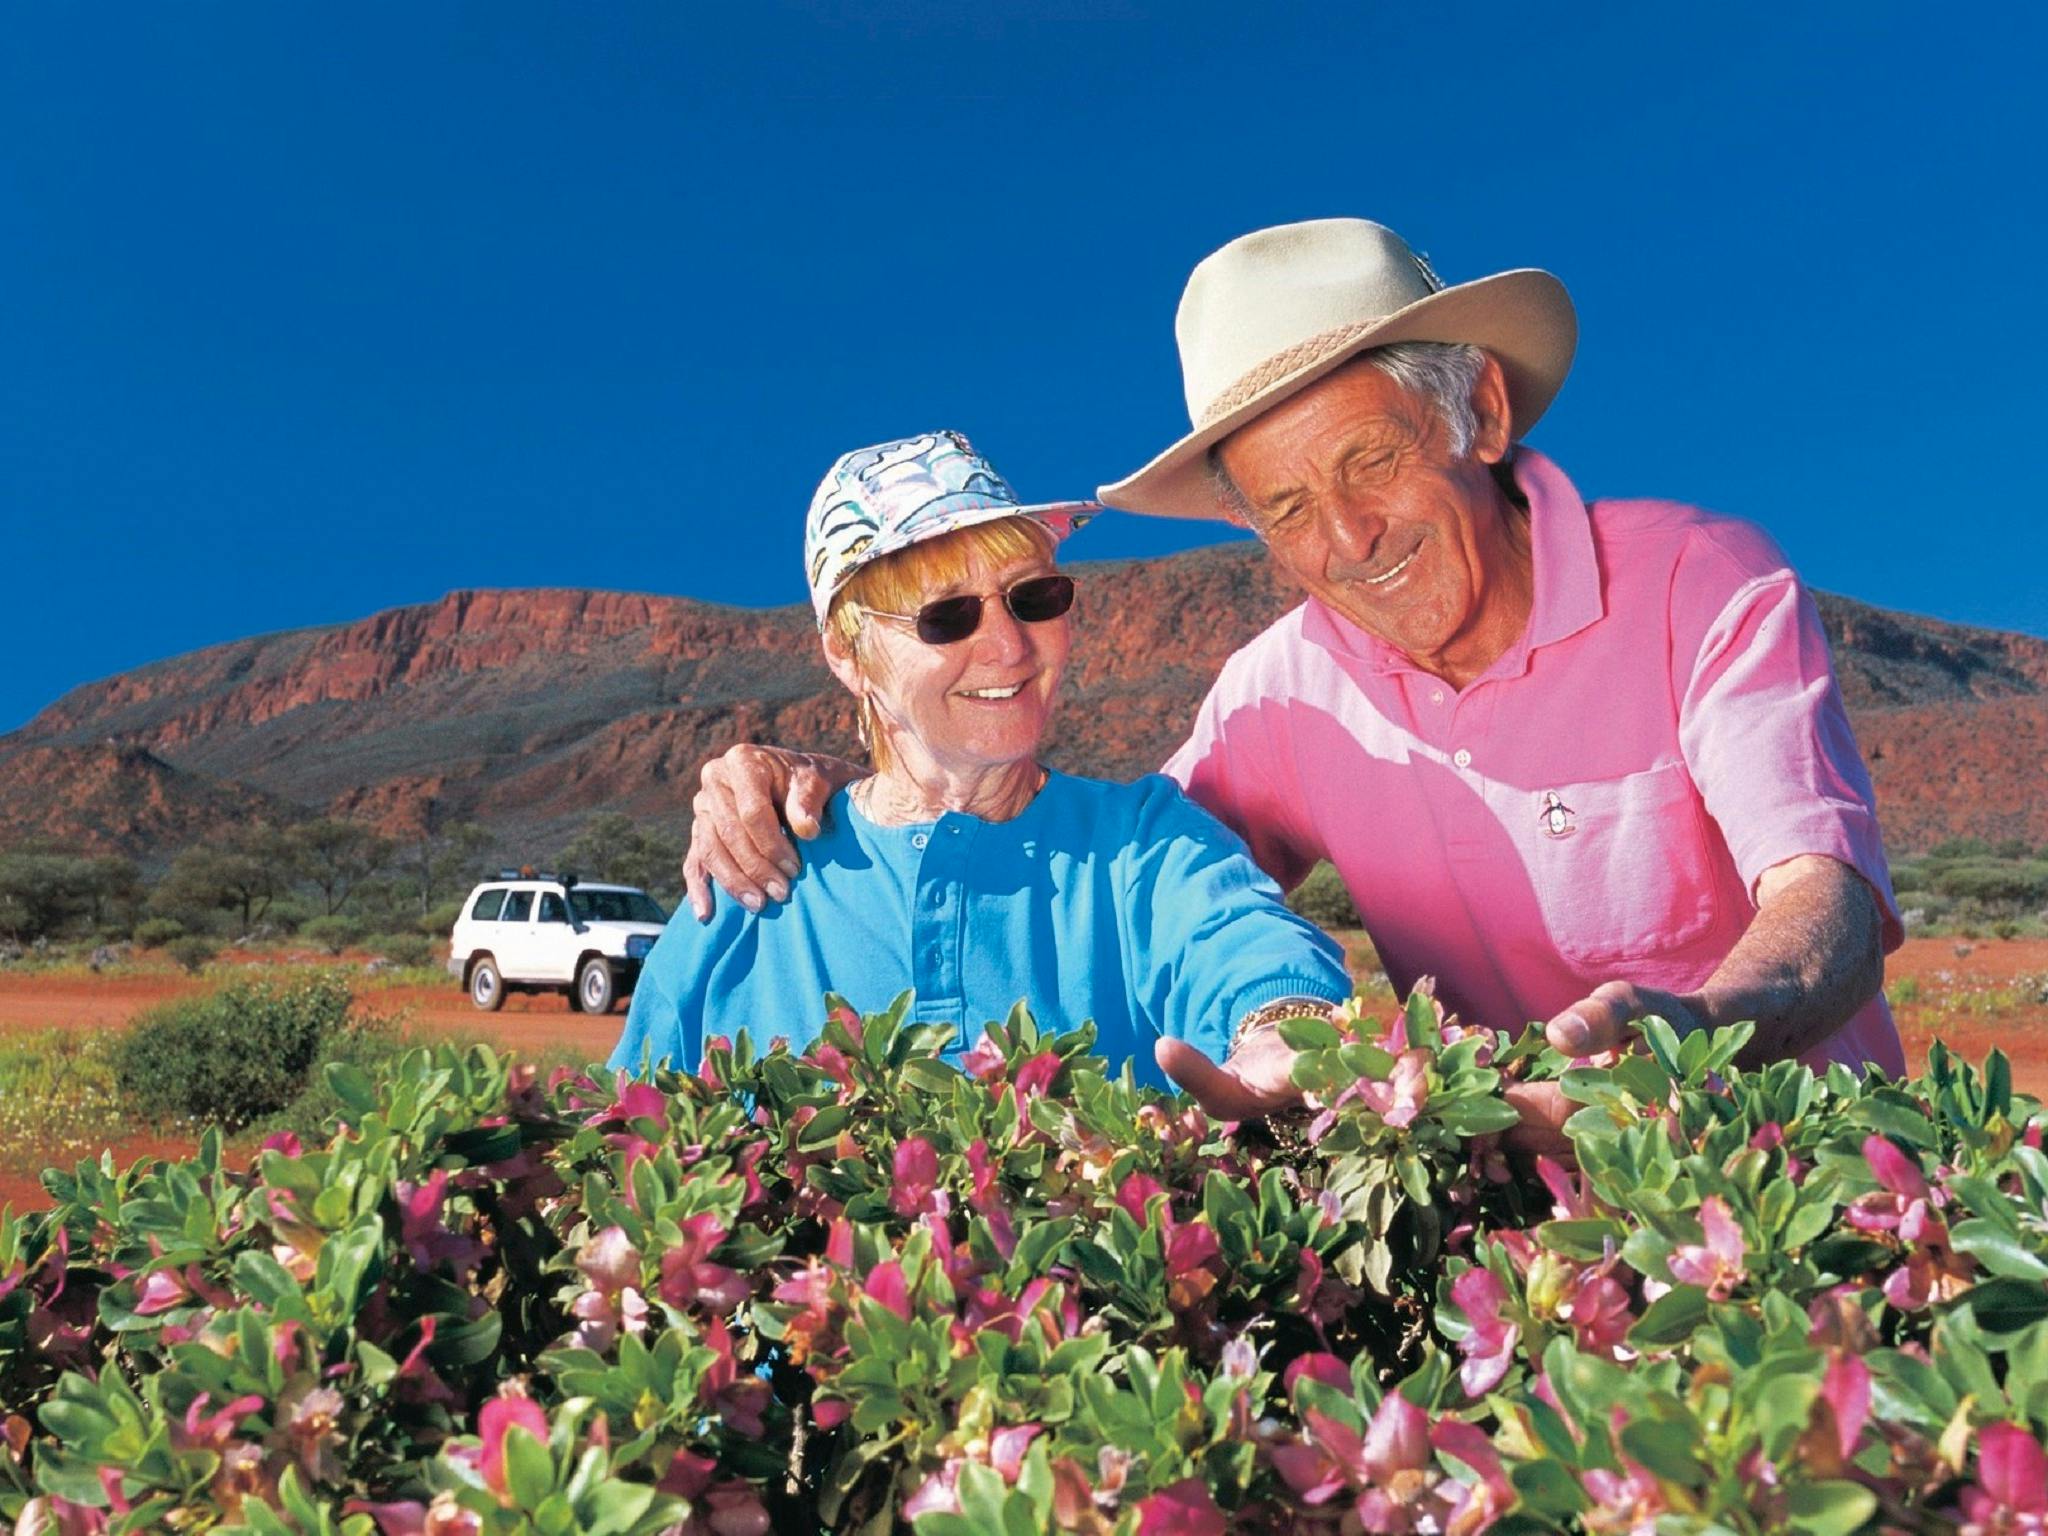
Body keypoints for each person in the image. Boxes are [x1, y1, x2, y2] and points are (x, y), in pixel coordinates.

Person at [680, 222, 1905, 1143]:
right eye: (1285, 507)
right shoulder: (1278, 692)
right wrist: (851, 788)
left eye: (1368, 459)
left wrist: (1686, 1037)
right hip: (1512, 1214)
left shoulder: (1697, 580)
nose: (1347, 539)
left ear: (1476, 409)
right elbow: (1092, 858)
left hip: (1786, 1174)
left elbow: (1823, 907)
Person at [610, 430, 1352, 1081]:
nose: (1007, 647)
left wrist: (1281, 1031)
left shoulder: (1142, 845)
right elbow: (624, 1143)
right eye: (947, 616)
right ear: (848, 655)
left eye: (1033, 597)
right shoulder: (752, 882)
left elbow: (1243, 949)